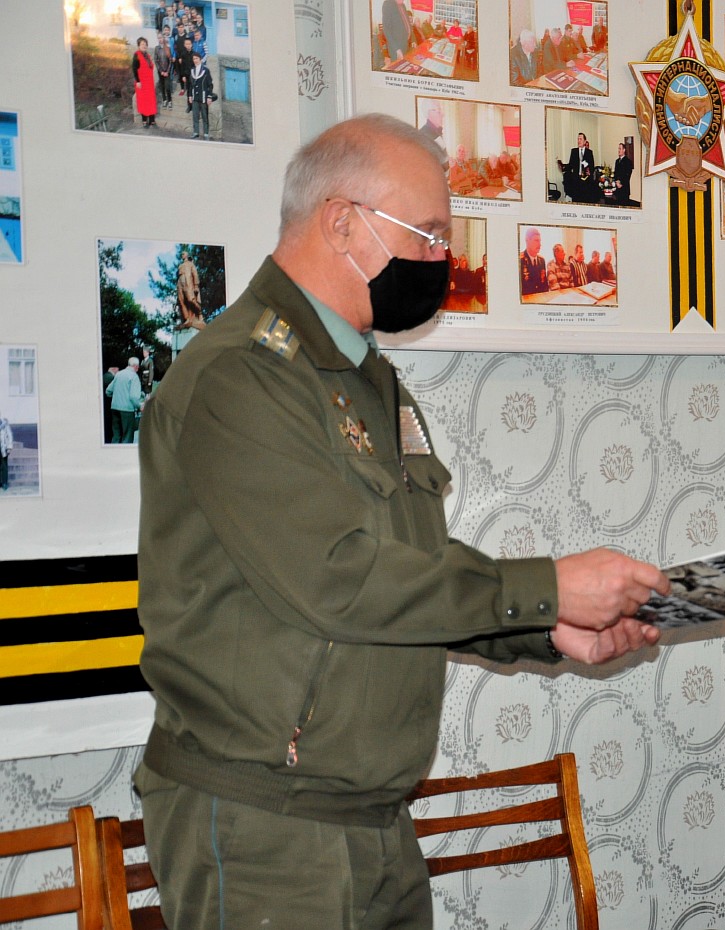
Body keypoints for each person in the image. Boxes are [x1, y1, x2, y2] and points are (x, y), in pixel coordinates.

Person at [132, 114, 668, 929]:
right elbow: (338, 579)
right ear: (341, 223)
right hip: (267, 830)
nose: (440, 259)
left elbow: (410, 571)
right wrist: (549, 587)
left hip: (370, 816)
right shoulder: (241, 377)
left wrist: (545, 628)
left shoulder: (364, 379)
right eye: (427, 234)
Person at [106, 357, 144, 443]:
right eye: (138, 367)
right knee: (127, 437)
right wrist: (140, 406)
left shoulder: (118, 374)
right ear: (136, 366)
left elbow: (108, 390)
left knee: (116, 436)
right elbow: (133, 397)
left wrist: (116, 397)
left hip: (114, 408)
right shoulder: (134, 376)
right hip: (127, 410)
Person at [558, 133, 597, 204]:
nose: (579, 141)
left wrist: (590, 171)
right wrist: (563, 167)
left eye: (580, 139)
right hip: (576, 181)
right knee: (576, 201)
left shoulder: (589, 152)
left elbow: (592, 166)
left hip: (586, 181)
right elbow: (570, 165)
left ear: (585, 141)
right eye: (578, 139)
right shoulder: (574, 151)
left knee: (585, 201)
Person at [187, 52, 215, 141]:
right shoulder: (192, 70)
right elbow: (190, 85)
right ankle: (196, 132)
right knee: (195, 115)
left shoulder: (205, 70)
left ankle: (206, 133)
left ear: (200, 59)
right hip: (195, 97)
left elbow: (210, 85)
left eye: (196, 58)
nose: (195, 60)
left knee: (204, 116)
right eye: (194, 59)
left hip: (203, 97)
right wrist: (190, 96)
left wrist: (209, 97)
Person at [132, 37, 158, 129]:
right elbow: (134, 69)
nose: (144, 46)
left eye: (145, 44)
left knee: (151, 101)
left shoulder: (147, 55)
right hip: (142, 83)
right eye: (142, 44)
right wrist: (138, 81)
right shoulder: (137, 55)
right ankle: (144, 120)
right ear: (139, 45)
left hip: (149, 83)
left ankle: (152, 120)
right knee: (143, 101)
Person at [176, 250, 203, 329]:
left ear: (187, 255)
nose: (182, 255)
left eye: (183, 254)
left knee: (191, 300)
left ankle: (199, 313)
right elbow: (177, 276)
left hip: (188, 282)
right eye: (181, 254)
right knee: (181, 302)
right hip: (180, 282)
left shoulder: (191, 264)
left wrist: (196, 286)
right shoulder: (180, 266)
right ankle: (187, 319)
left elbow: (195, 274)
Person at [519, 226, 548, 295]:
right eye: (536, 241)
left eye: (540, 241)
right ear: (527, 240)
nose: (540, 244)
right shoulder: (519, 260)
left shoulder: (542, 260)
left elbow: (545, 285)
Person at [0, 409, 11, 491]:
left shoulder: (5, 424)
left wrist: (9, 447)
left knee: (4, 466)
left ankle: (4, 483)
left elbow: (9, 436)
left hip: (2, 448)